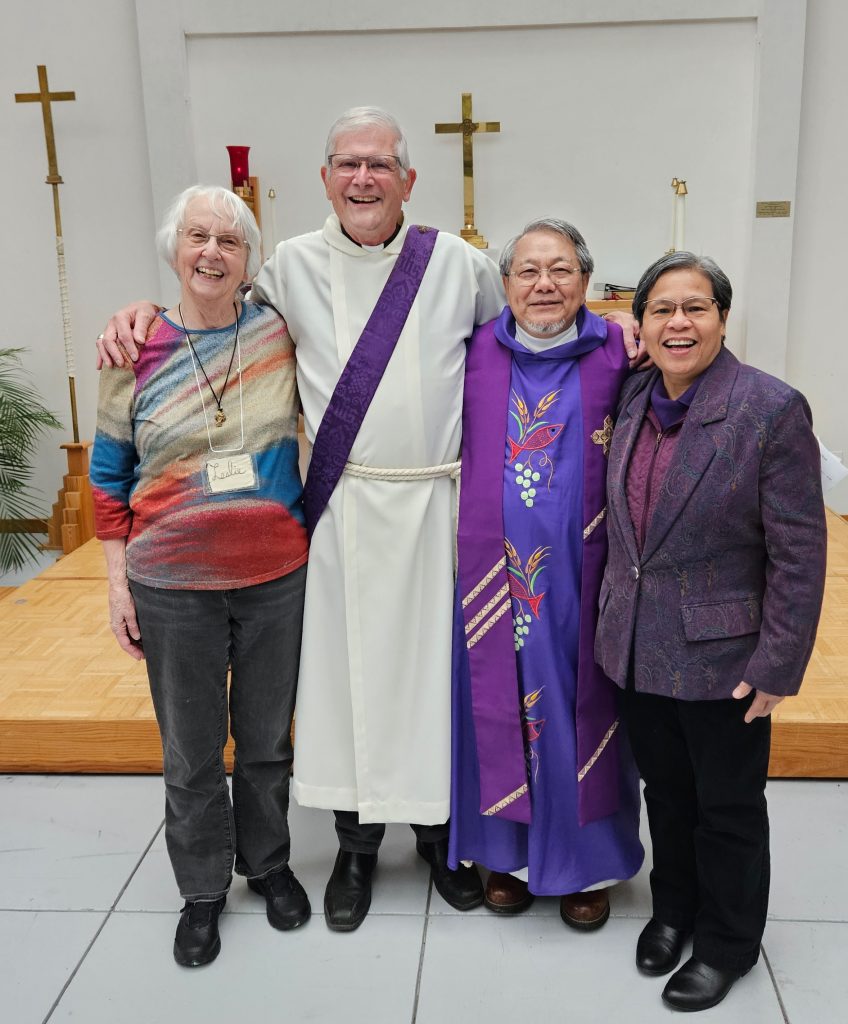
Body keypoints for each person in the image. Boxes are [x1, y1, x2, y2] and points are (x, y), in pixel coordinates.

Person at [96, 109, 641, 933]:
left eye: (380, 165)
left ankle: (436, 835)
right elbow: (206, 302)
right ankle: (355, 845)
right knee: (351, 683)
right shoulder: (287, 267)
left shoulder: (458, 265)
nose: (363, 179)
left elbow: (533, 328)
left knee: (436, 680)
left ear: (407, 181)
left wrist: (617, 324)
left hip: (441, 509)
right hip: (344, 507)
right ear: (324, 178)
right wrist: (134, 312)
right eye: (347, 164)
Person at [595, 251, 827, 1011]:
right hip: (634, 645)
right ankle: (674, 911)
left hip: (725, 656)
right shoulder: (633, 396)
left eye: (696, 308)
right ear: (642, 326)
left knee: (726, 807)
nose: (678, 324)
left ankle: (728, 942)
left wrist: (778, 664)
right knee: (665, 792)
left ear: (724, 319)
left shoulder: (770, 409)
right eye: (662, 310)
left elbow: (799, 549)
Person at [91, 185, 310, 966]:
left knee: (264, 739)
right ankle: (203, 891)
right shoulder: (134, 347)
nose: (211, 252)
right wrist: (117, 583)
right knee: (189, 749)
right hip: (171, 581)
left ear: (249, 259)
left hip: (275, 572)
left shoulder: (281, 332)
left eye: (228, 240)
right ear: (174, 249)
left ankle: (269, 862)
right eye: (197, 238)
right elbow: (109, 472)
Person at [449, 219, 644, 929]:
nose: (543, 284)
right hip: (489, 580)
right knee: (495, 710)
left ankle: (587, 863)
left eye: (560, 269)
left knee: (582, 714)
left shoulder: (622, 354)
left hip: (587, 583)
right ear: (503, 284)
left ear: (587, 282)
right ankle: (506, 857)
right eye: (527, 270)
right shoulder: (470, 354)